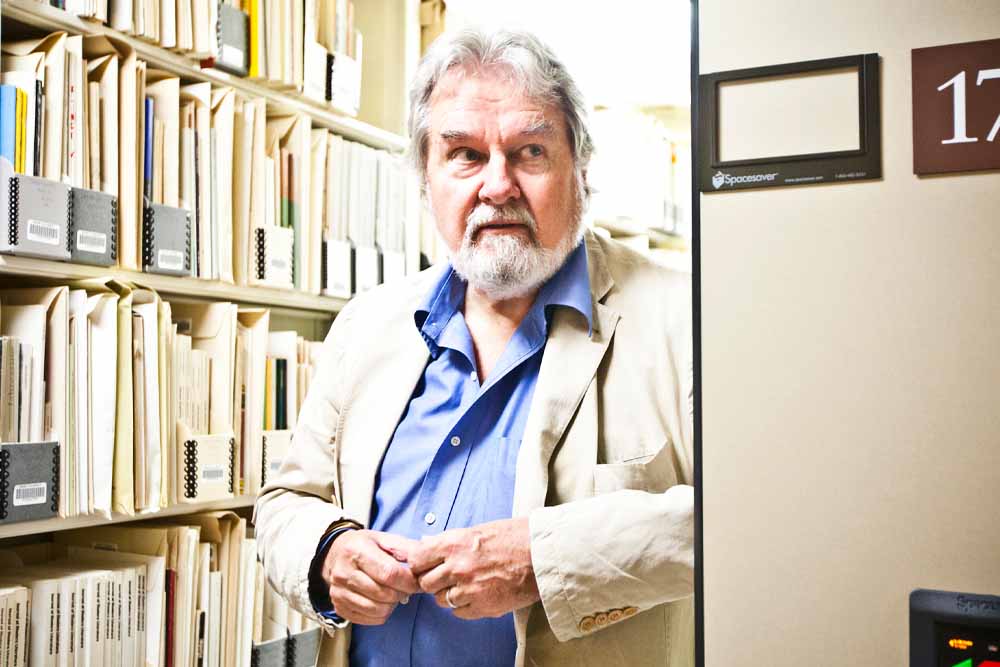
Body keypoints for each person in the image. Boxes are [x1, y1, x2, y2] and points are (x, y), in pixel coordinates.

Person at [254, 27, 694, 667]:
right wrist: (325, 553)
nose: (497, 185)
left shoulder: (683, 318)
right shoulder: (369, 323)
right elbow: (285, 504)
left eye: (530, 152)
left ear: (581, 170)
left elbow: (739, 520)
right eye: (464, 154)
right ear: (425, 177)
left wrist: (543, 561)